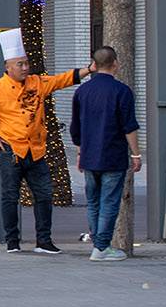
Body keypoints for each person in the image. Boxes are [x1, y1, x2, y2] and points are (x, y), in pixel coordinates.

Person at [0, 27, 94, 255]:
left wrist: (88, 69)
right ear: (8, 66)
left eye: (26, 63)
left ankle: (43, 241)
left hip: (36, 150)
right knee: (10, 196)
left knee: (44, 195)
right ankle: (12, 241)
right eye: (20, 64)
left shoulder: (38, 82)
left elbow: (62, 80)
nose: (25, 68)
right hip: (11, 150)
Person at [70, 45, 141, 262]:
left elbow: (76, 128)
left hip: (89, 155)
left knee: (93, 202)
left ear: (95, 65)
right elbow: (129, 126)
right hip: (112, 155)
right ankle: (102, 247)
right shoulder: (122, 91)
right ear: (115, 64)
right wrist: (136, 154)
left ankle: (97, 244)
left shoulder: (82, 91)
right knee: (109, 202)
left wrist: (80, 153)